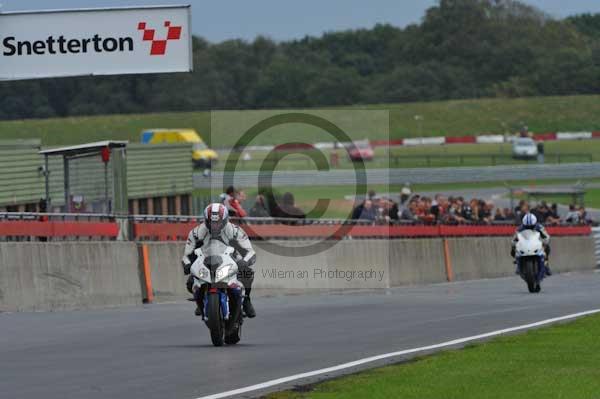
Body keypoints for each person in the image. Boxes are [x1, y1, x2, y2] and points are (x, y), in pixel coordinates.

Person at [181, 203, 256, 318]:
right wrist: (187, 264)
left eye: (218, 222)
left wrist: (244, 262)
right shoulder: (196, 233)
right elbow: (186, 255)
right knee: (190, 282)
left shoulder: (235, 231)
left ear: (225, 220)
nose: (214, 225)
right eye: (211, 222)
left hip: (231, 261)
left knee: (247, 273)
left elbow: (250, 251)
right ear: (206, 220)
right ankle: (202, 299)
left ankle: (246, 301)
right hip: (205, 263)